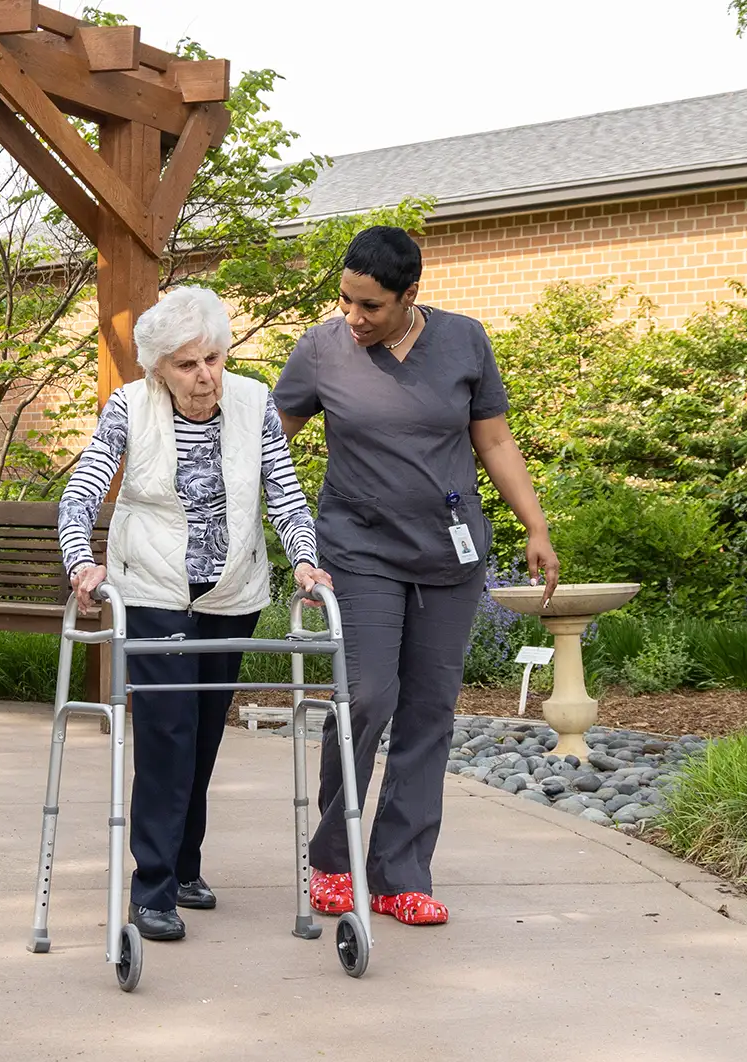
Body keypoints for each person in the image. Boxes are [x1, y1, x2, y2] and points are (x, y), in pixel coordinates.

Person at [273, 226, 559, 926]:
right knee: (368, 696)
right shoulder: (321, 350)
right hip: (359, 550)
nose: (353, 316)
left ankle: (401, 874)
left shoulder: (463, 341)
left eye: (370, 305)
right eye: (345, 300)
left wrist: (535, 525)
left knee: (430, 710)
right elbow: (271, 439)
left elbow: (494, 439)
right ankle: (334, 861)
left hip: (446, 555)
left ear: (410, 295)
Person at [59, 286, 332, 943]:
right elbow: (84, 486)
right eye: (186, 364)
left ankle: (184, 867)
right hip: (152, 591)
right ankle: (152, 887)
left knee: (205, 733)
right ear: (159, 368)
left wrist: (304, 559)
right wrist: (81, 561)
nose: (204, 375)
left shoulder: (254, 403)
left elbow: (285, 493)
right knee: (168, 734)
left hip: (231, 593)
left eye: (212, 358)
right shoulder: (129, 406)